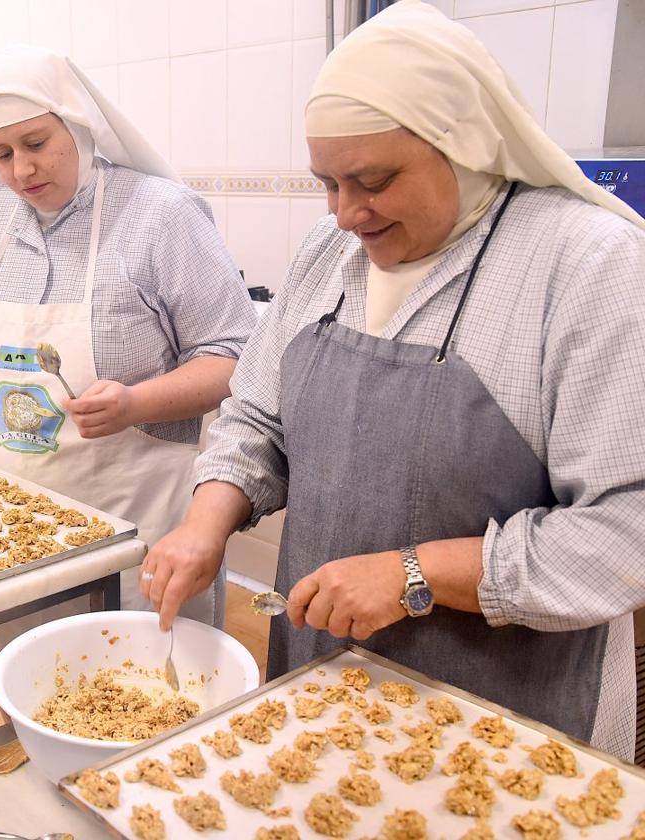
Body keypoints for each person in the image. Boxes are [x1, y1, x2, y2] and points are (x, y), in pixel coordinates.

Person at [142, 0, 645, 761]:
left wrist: (416, 574)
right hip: (325, 674)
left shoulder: (586, 265)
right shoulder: (329, 255)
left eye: (373, 180)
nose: (345, 214)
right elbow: (257, 418)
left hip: (504, 708)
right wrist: (204, 525)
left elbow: (624, 531)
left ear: (464, 144)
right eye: (327, 184)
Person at [0, 49, 256, 674]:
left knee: (144, 688)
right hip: (16, 513)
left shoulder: (161, 216)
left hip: (136, 511)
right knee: (27, 677)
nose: (22, 169)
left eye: (37, 142)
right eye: (2, 153)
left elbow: (237, 357)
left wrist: (136, 404)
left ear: (76, 126)